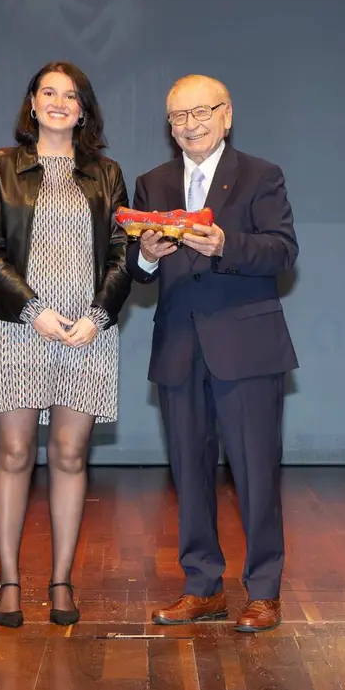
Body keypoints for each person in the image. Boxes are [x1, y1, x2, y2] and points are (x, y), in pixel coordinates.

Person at [126, 74, 298, 633]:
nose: (189, 125)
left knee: (254, 473)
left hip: (245, 346)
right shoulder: (152, 182)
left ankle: (264, 591)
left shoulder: (260, 174)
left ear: (227, 114)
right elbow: (137, 272)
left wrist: (226, 243)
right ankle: (202, 587)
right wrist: (147, 256)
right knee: (189, 475)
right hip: (179, 346)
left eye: (201, 112)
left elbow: (282, 250)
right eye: (178, 117)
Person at [0, 60, 132, 628]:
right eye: (49, 93)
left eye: (71, 95)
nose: (60, 102)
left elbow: (122, 254)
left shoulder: (107, 174)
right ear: (32, 103)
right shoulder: (0, 166)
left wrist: (97, 316)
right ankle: (9, 581)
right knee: (13, 455)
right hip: (17, 328)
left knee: (68, 456)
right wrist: (35, 311)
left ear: (83, 109)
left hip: (86, 332)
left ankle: (61, 580)